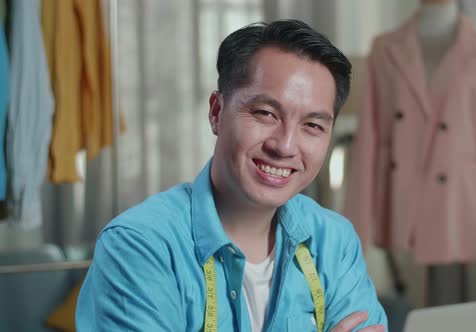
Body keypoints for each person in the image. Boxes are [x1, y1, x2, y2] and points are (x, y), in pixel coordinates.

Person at [76, 19, 387, 332]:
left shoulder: (334, 240)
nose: (285, 146)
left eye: (313, 126)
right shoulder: (140, 246)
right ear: (216, 112)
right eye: (266, 113)